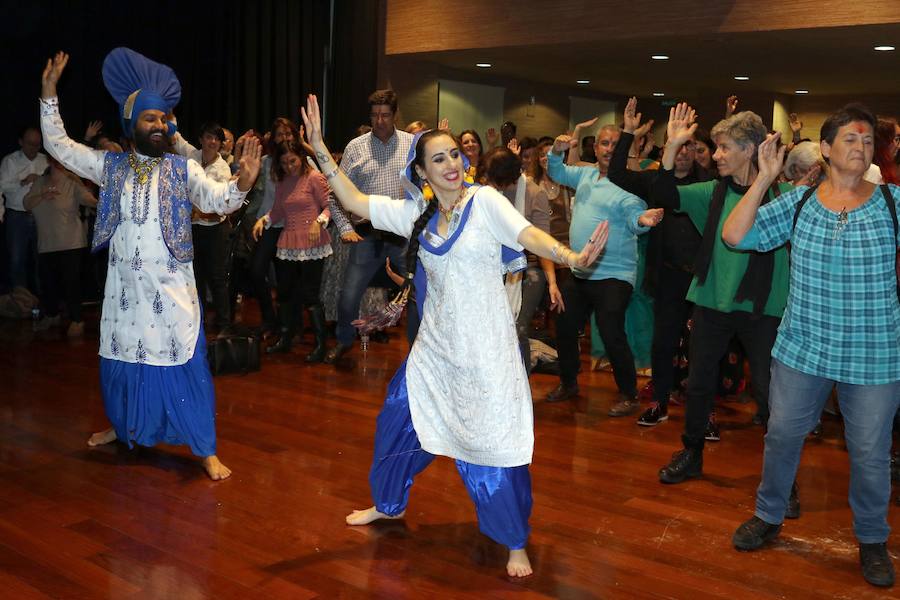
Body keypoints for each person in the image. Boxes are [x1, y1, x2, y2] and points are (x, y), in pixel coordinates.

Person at [301, 93, 615, 577]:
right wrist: (323, 150)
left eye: (455, 154)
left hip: (485, 353)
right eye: (438, 158)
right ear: (421, 172)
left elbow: (527, 234)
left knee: (494, 449)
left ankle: (514, 541)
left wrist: (570, 257)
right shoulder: (417, 215)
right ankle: (389, 504)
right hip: (434, 351)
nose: (451, 163)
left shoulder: (485, 202)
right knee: (395, 420)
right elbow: (357, 201)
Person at [39, 49, 262, 480]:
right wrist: (49, 92)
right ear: (131, 125)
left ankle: (203, 448)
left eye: (164, 118)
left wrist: (244, 184)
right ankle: (124, 427)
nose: (160, 125)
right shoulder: (110, 166)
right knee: (121, 358)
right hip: (124, 295)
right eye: (150, 118)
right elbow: (59, 146)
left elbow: (219, 201)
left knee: (183, 363)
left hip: (171, 293)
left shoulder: (184, 171)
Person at [723, 104, 900, 589]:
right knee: (782, 435)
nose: (860, 148)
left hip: (875, 352)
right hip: (803, 348)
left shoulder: (892, 203)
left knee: (869, 452)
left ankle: (871, 539)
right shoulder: (798, 203)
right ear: (825, 149)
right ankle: (769, 514)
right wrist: (763, 179)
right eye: (849, 140)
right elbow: (735, 235)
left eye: (866, 141)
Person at [651, 104, 790, 483]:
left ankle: (782, 477)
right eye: (715, 148)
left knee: (768, 391)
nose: (715, 156)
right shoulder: (710, 193)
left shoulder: (783, 195)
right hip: (712, 301)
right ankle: (692, 453)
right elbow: (661, 191)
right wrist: (671, 145)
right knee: (698, 383)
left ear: (750, 149)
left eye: (725, 147)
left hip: (765, 308)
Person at [605, 98, 714, 426]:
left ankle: (704, 413)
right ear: (668, 148)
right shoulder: (655, 181)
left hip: (702, 279)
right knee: (663, 342)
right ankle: (660, 403)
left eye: (689, 146)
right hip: (667, 277)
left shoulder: (709, 182)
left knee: (702, 350)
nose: (683, 152)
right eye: (676, 146)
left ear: (695, 150)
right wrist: (627, 132)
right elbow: (616, 174)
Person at [545, 124, 663, 416]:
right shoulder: (584, 174)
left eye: (614, 144)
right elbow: (557, 172)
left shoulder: (628, 184)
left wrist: (643, 221)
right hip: (581, 270)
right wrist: (556, 151)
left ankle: (628, 393)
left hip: (614, 274)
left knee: (611, 332)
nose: (610, 149)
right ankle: (569, 382)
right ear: (595, 148)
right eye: (605, 143)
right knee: (564, 324)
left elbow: (635, 217)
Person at [325, 89, 415, 363]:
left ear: (395, 115)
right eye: (374, 115)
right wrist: (344, 228)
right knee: (349, 295)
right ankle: (343, 341)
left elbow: (424, 189)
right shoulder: (356, 147)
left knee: (417, 293)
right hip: (366, 235)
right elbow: (335, 194)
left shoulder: (412, 145)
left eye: (385, 115)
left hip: (401, 235)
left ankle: (419, 348)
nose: (379, 121)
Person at [253, 139, 331, 360]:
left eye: (292, 161)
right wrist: (264, 220)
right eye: (284, 162)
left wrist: (320, 220)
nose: (289, 166)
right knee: (284, 291)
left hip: (312, 242)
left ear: (301, 157)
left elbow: (330, 205)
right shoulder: (283, 181)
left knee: (310, 295)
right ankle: (285, 338)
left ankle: (320, 345)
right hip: (288, 241)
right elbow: (278, 210)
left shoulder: (314, 178)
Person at [24, 155, 97, 336]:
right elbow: (26, 203)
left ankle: (77, 320)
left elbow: (87, 198)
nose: (58, 163)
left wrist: (102, 203)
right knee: (48, 284)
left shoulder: (72, 181)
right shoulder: (40, 182)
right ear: (49, 161)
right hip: (46, 242)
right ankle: (52, 315)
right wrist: (43, 195)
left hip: (70, 242)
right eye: (53, 159)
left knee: (71, 284)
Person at [172, 122, 234, 334]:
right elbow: (176, 138)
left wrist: (198, 213)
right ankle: (198, 322)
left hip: (215, 229)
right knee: (194, 276)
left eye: (217, 139)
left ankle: (225, 324)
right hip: (194, 229)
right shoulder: (193, 156)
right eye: (209, 137)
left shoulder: (223, 169)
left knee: (217, 278)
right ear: (201, 139)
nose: (213, 142)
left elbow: (223, 208)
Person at [1, 125, 48, 292]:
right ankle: (20, 300)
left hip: (41, 216)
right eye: (29, 143)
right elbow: (2, 187)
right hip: (17, 216)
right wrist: (22, 182)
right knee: (16, 259)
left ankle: (43, 301)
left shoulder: (46, 161)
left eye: (37, 144)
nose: (33, 148)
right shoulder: (10, 161)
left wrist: (42, 182)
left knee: (42, 259)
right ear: (20, 142)